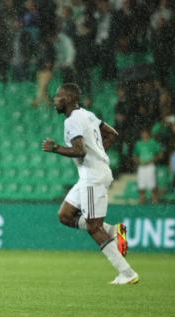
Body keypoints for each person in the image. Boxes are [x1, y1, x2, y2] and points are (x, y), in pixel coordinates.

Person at [42, 83, 139, 285]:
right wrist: (100, 152)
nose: (55, 100)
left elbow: (80, 151)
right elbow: (112, 134)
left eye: (58, 96)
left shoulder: (72, 121)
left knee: (94, 227)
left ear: (68, 99)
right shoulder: (87, 114)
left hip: (93, 176)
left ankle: (127, 273)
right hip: (91, 173)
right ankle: (113, 231)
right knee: (65, 216)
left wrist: (55, 148)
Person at [133, 129, 162, 204]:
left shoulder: (153, 142)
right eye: (143, 133)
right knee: (141, 184)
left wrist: (152, 160)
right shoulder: (138, 143)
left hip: (150, 166)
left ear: (149, 134)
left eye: (146, 133)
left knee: (152, 184)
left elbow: (160, 154)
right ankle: (142, 200)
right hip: (141, 167)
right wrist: (138, 161)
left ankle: (155, 200)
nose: (144, 135)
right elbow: (134, 155)